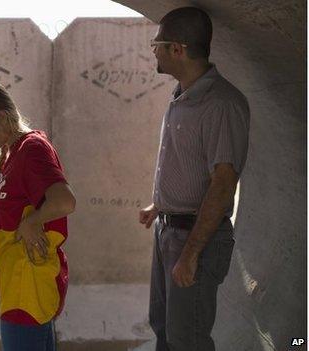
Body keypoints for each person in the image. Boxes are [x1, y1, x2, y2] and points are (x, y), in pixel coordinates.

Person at [138, 7, 250, 351]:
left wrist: (190, 255)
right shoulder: (182, 95)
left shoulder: (221, 104)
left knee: (188, 339)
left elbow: (223, 182)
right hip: (169, 232)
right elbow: (192, 164)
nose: (152, 49)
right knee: (164, 328)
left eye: (157, 43)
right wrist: (162, 204)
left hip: (193, 239)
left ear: (177, 49)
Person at [0, 80, 76, 351]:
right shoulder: (11, 153)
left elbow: (65, 201)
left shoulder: (32, 148)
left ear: (1, 117)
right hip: (19, 285)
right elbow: (22, 203)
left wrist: (33, 221)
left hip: (26, 290)